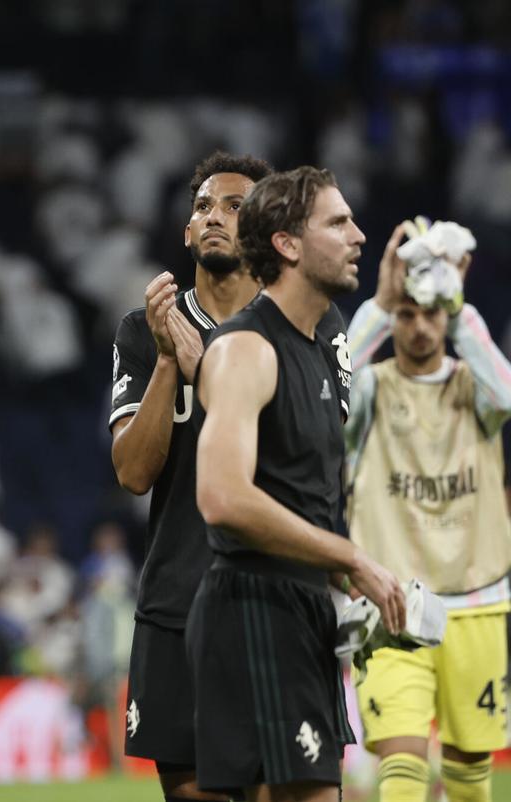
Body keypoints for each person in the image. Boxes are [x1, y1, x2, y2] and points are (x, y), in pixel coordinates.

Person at [109, 152, 351, 801]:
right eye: (202, 207)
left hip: (279, 600)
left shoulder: (316, 328)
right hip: (176, 602)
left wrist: (207, 367)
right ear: (187, 232)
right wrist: (167, 360)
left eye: (233, 206)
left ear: (262, 230)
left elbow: (322, 465)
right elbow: (133, 473)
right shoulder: (143, 331)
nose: (213, 216)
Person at [188, 166, 405, 801]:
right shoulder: (245, 350)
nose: (358, 235)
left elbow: (294, 489)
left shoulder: (317, 344)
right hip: (254, 607)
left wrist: (345, 582)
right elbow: (222, 496)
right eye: (338, 223)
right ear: (287, 244)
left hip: (301, 606)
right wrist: (351, 557)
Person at [345, 223, 511, 802]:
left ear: (448, 318)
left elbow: (509, 395)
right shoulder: (367, 392)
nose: (419, 326)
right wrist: (380, 299)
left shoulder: (478, 391)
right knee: (403, 760)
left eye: (430, 314)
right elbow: (329, 378)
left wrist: (458, 303)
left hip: (479, 599)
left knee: (469, 771)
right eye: (407, 314)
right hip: (393, 603)